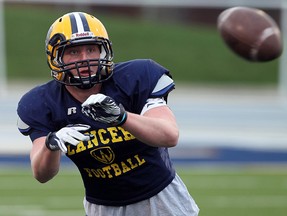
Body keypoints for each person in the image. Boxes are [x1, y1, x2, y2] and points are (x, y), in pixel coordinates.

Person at [16, 11, 199, 216]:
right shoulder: (42, 102)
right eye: (74, 52)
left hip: (161, 200)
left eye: (91, 49)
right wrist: (51, 144)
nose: (84, 59)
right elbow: (41, 174)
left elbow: (169, 135)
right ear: (56, 57)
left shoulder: (135, 78)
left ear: (104, 51)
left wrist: (122, 118)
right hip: (102, 208)